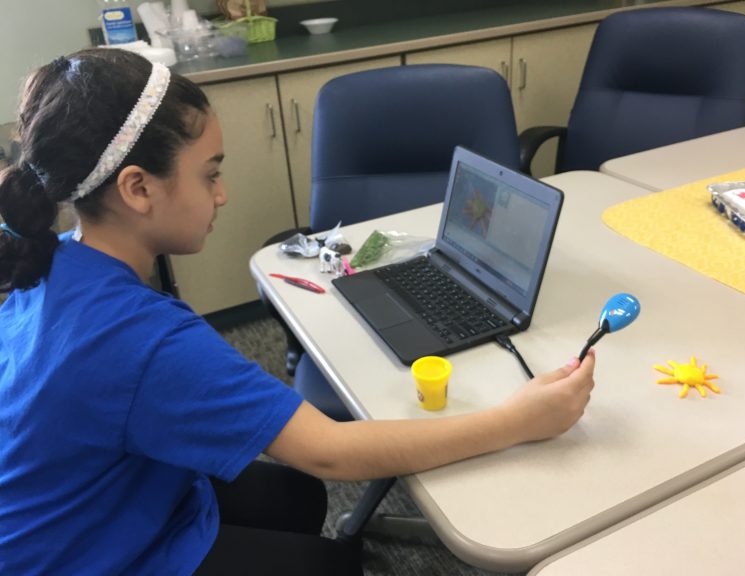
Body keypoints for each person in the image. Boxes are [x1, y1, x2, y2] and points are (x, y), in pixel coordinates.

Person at [0, 48, 596, 575]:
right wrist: (520, 420)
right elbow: (331, 451)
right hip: (76, 556)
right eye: (211, 174)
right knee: (324, 546)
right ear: (137, 188)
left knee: (297, 497)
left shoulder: (50, 261)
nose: (223, 193)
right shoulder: (144, 338)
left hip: (81, 499)